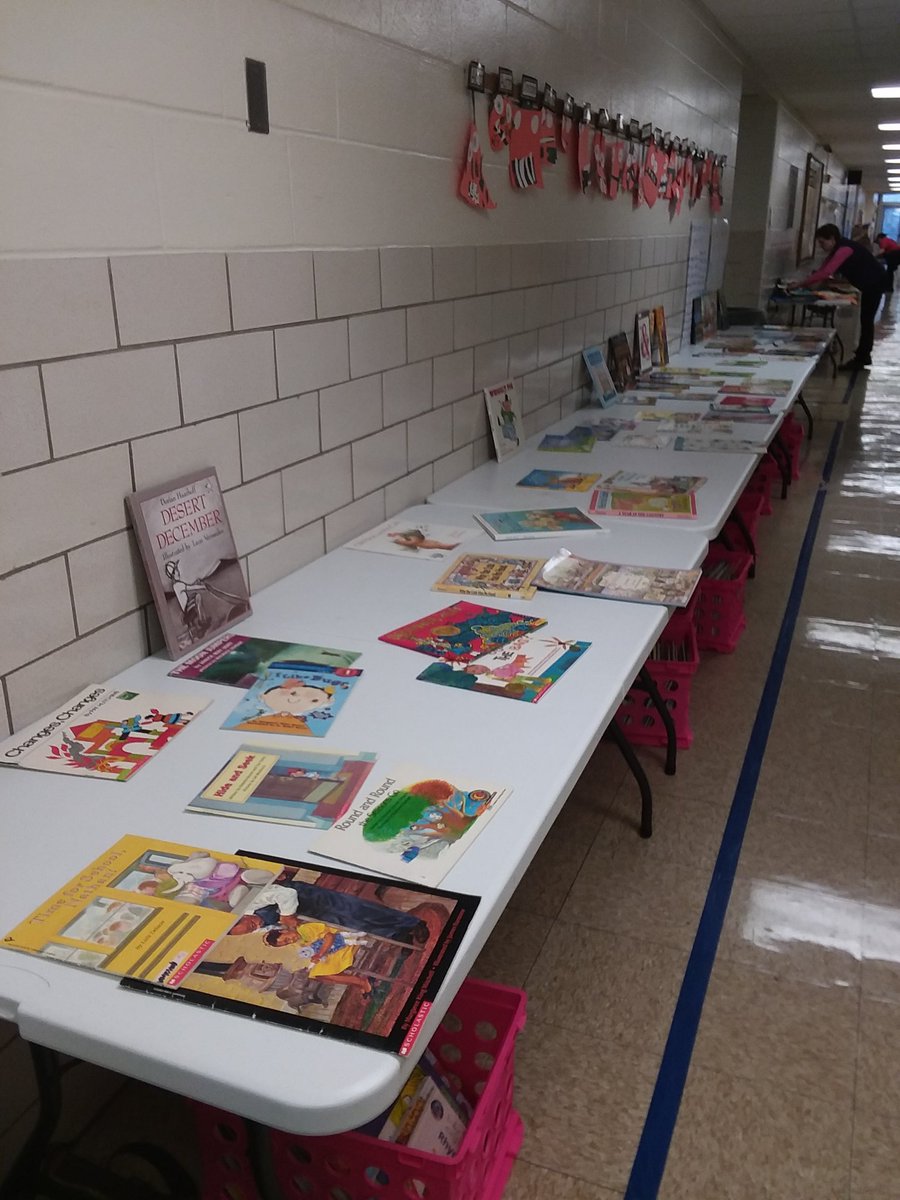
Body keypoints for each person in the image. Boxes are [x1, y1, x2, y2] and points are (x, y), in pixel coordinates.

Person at [789, 223, 885, 371]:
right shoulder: (837, 249)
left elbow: (826, 272)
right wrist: (805, 284)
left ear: (832, 239)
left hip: (875, 282)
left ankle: (862, 357)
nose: (821, 246)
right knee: (866, 319)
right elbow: (822, 270)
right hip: (870, 283)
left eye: (822, 242)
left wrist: (800, 284)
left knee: (866, 320)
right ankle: (863, 354)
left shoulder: (844, 249)